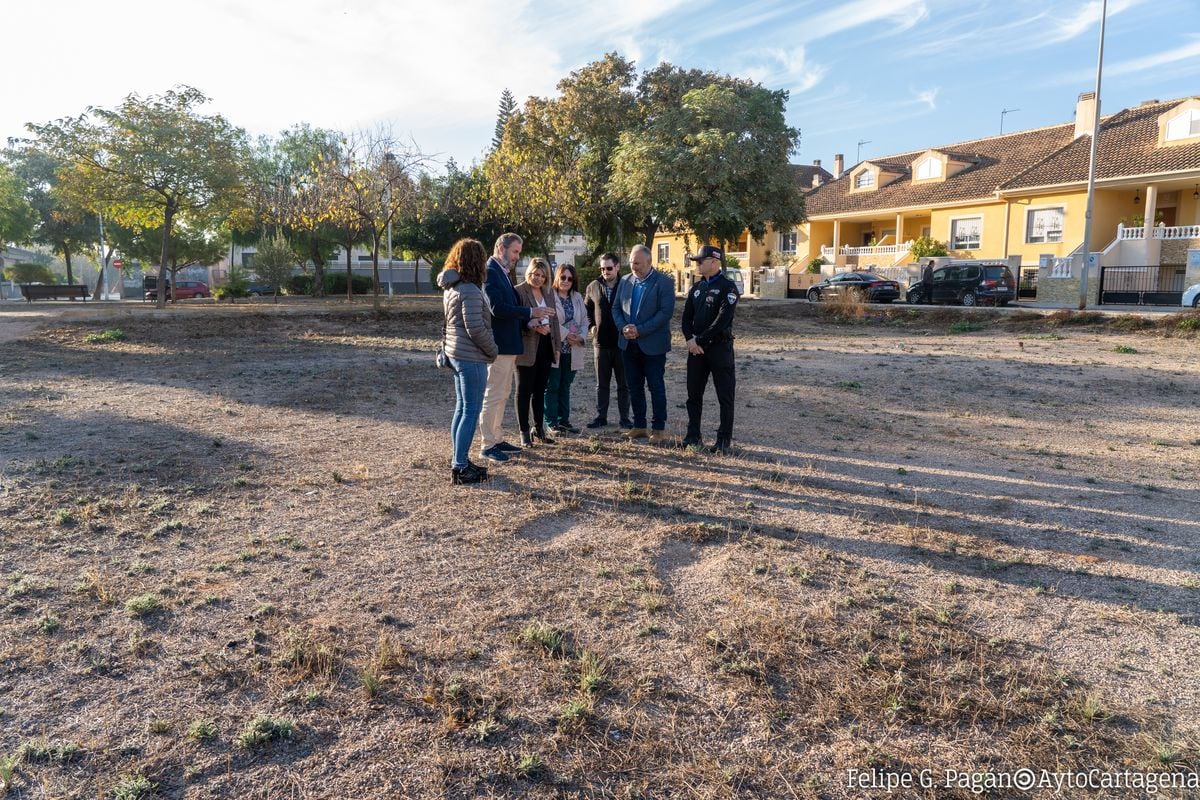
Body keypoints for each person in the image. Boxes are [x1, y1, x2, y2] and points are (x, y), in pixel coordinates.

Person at [479, 233, 554, 463]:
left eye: (519, 253)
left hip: (510, 345)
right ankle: (487, 444)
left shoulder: (502, 272)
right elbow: (497, 308)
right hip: (499, 346)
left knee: (503, 394)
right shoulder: (490, 271)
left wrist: (529, 322)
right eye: (515, 252)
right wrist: (530, 313)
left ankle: (497, 437)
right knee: (493, 394)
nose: (517, 257)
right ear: (500, 247)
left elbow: (509, 309)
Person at [437, 239, 498, 484]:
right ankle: (460, 467)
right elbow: (475, 328)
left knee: (462, 409)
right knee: (470, 411)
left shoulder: (452, 287)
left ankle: (459, 460)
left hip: (457, 354)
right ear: (477, 261)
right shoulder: (470, 290)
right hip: (470, 357)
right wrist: (492, 350)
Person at [611, 244, 676, 444]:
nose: (633, 266)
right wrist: (624, 328)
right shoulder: (625, 281)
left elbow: (665, 313)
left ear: (649, 262)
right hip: (628, 344)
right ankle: (639, 425)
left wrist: (640, 329)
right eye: (631, 262)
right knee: (634, 386)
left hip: (653, 345)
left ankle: (658, 429)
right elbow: (616, 308)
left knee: (655, 386)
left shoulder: (664, 282)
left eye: (637, 263)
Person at [681, 245, 739, 454]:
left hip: (719, 350)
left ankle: (723, 440)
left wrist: (699, 340)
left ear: (714, 262)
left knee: (725, 396)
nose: (697, 264)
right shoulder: (696, 288)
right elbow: (686, 318)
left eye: (700, 260)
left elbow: (722, 320)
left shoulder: (728, 287)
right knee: (693, 395)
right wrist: (689, 339)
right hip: (696, 351)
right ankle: (692, 436)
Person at [514, 259, 561, 447]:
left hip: (546, 346)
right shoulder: (518, 291)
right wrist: (530, 325)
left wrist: (557, 347)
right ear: (529, 272)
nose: (538, 278)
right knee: (524, 390)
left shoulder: (548, 292)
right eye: (535, 274)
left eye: (542, 275)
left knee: (540, 390)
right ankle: (524, 432)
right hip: (526, 348)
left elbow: (555, 321)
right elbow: (515, 317)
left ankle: (538, 429)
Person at [584, 253, 631, 429]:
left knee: (623, 384)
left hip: (622, 343)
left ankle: (625, 418)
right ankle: (600, 416)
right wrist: (591, 326)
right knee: (601, 384)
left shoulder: (627, 285)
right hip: (601, 343)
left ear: (617, 267)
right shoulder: (593, 286)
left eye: (609, 268)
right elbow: (586, 309)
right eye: (602, 268)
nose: (605, 271)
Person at [545, 264, 587, 434]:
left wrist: (580, 336)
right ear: (557, 277)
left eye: (570, 278)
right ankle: (551, 422)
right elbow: (550, 320)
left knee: (565, 386)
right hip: (555, 347)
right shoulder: (549, 296)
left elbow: (585, 320)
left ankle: (564, 421)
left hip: (572, 349)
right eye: (563, 277)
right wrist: (566, 334)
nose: (566, 281)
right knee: (552, 385)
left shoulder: (577, 297)